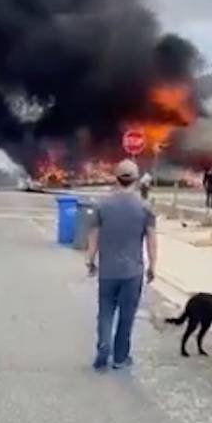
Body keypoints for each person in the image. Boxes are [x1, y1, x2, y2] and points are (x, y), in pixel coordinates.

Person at [86, 159, 158, 371]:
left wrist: (90, 260)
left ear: (116, 179)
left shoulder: (102, 205)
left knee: (106, 311)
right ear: (136, 180)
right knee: (127, 316)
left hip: (108, 271)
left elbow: (94, 236)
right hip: (132, 272)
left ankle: (104, 344)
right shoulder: (145, 207)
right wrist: (153, 265)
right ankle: (120, 357)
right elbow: (152, 239)